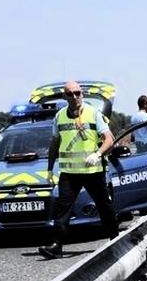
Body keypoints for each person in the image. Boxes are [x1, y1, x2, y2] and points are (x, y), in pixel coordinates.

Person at [39, 80, 119, 259]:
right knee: (63, 208)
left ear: (82, 94)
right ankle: (56, 245)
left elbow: (109, 140)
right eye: (70, 94)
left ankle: (115, 237)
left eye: (77, 93)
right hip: (69, 173)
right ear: (64, 96)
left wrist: (97, 154)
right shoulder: (60, 116)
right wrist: (50, 169)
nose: (74, 97)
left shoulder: (93, 113)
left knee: (104, 206)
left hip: (92, 171)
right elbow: (55, 143)